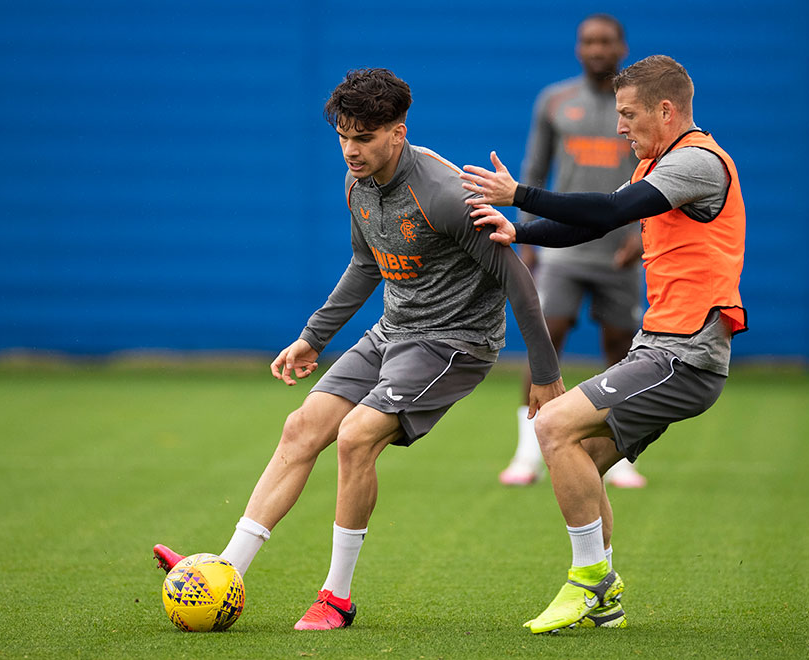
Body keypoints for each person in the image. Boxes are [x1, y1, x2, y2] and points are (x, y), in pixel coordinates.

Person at [153, 68, 564, 631]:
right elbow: (367, 264)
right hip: (393, 332)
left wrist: (545, 376)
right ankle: (226, 569)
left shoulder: (446, 196)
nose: (351, 149)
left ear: (398, 131)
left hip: (455, 343)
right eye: (344, 135)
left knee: (355, 437)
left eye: (365, 136)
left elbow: (518, 279)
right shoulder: (356, 182)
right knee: (301, 428)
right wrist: (312, 337)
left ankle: (336, 599)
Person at [460, 55, 747, 633]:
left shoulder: (696, 162)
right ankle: (605, 598)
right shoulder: (658, 163)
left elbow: (610, 209)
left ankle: (589, 582)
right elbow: (594, 223)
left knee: (551, 424)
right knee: (583, 461)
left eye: (628, 114)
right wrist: (522, 230)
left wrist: (519, 194)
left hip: (684, 356)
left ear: (666, 111)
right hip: (660, 349)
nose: (619, 127)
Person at [500, 13, 648, 490]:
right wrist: (528, 238)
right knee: (547, 342)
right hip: (562, 247)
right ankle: (527, 455)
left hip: (618, 250)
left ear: (622, 48)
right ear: (579, 48)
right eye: (588, 41)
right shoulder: (555, 101)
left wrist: (641, 236)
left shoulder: (640, 105)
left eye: (606, 41)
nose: (597, 49)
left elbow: (660, 176)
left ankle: (621, 456)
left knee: (622, 349)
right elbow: (534, 172)